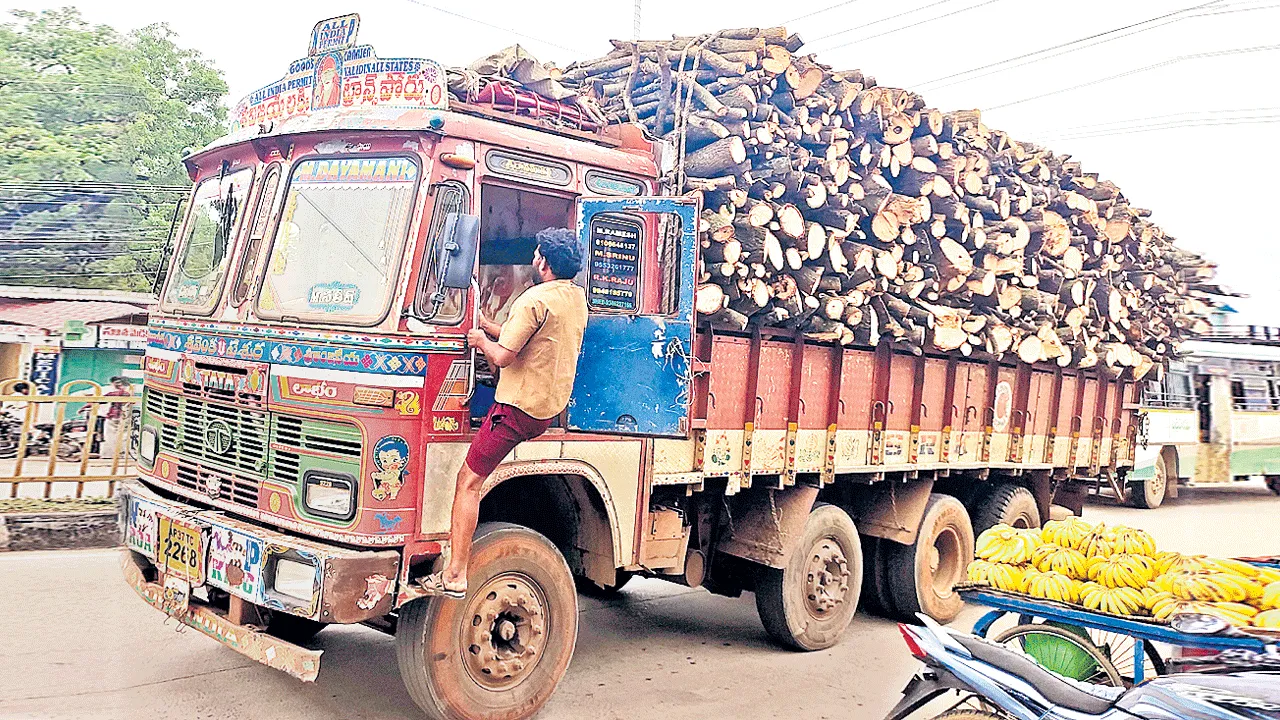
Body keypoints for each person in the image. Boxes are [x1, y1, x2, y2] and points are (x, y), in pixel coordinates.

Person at [418, 228, 588, 598]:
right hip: (545, 409)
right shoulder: (574, 299)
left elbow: (503, 355)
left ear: (542, 262)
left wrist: (480, 340)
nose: (535, 257)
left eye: (538, 253)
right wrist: (483, 323)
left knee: (468, 482)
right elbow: (518, 336)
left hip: (515, 410)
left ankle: (456, 575)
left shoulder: (533, 299)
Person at [102, 376, 133, 460]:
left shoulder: (117, 393)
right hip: (124, 417)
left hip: (114, 416)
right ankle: (122, 453)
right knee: (123, 436)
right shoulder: (129, 392)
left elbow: (101, 399)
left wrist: (85, 406)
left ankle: (111, 454)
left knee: (110, 435)